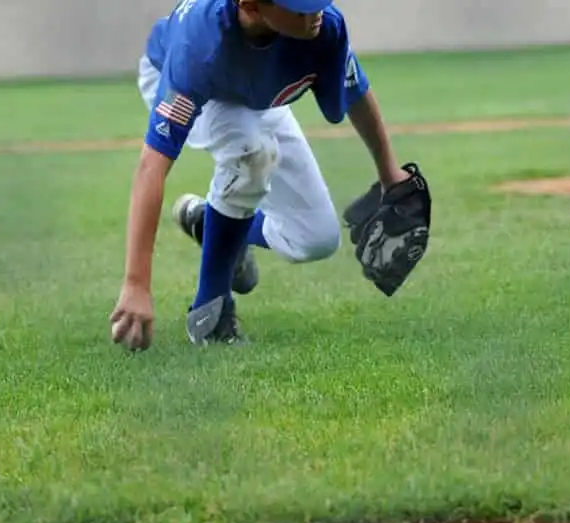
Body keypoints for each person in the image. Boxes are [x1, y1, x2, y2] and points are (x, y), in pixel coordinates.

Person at [108, 0, 412, 350]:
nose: (313, 14)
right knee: (252, 151)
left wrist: (389, 173)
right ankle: (211, 315)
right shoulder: (199, 47)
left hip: (254, 93)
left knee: (316, 237)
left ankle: (212, 225)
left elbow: (355, 92)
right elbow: (152, 165)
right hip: (177, 76)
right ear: (251, 6)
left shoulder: (323, 26)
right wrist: (136, 283)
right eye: (299, 8)